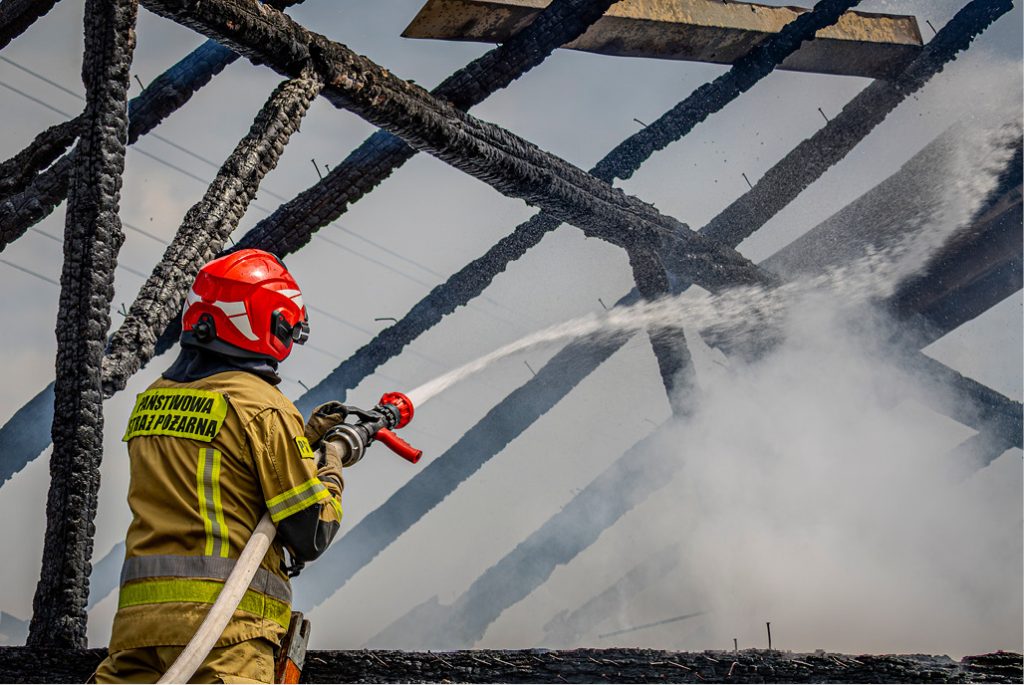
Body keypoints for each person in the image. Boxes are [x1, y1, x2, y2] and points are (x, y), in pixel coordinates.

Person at [94, 249, 367, 683]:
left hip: (137, 636)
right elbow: (312, 530)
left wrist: (303, 441)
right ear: (267, 323)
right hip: (225, 637)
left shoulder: (153, 400)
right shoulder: (260, 406)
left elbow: (223, 480)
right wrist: (331, 460)